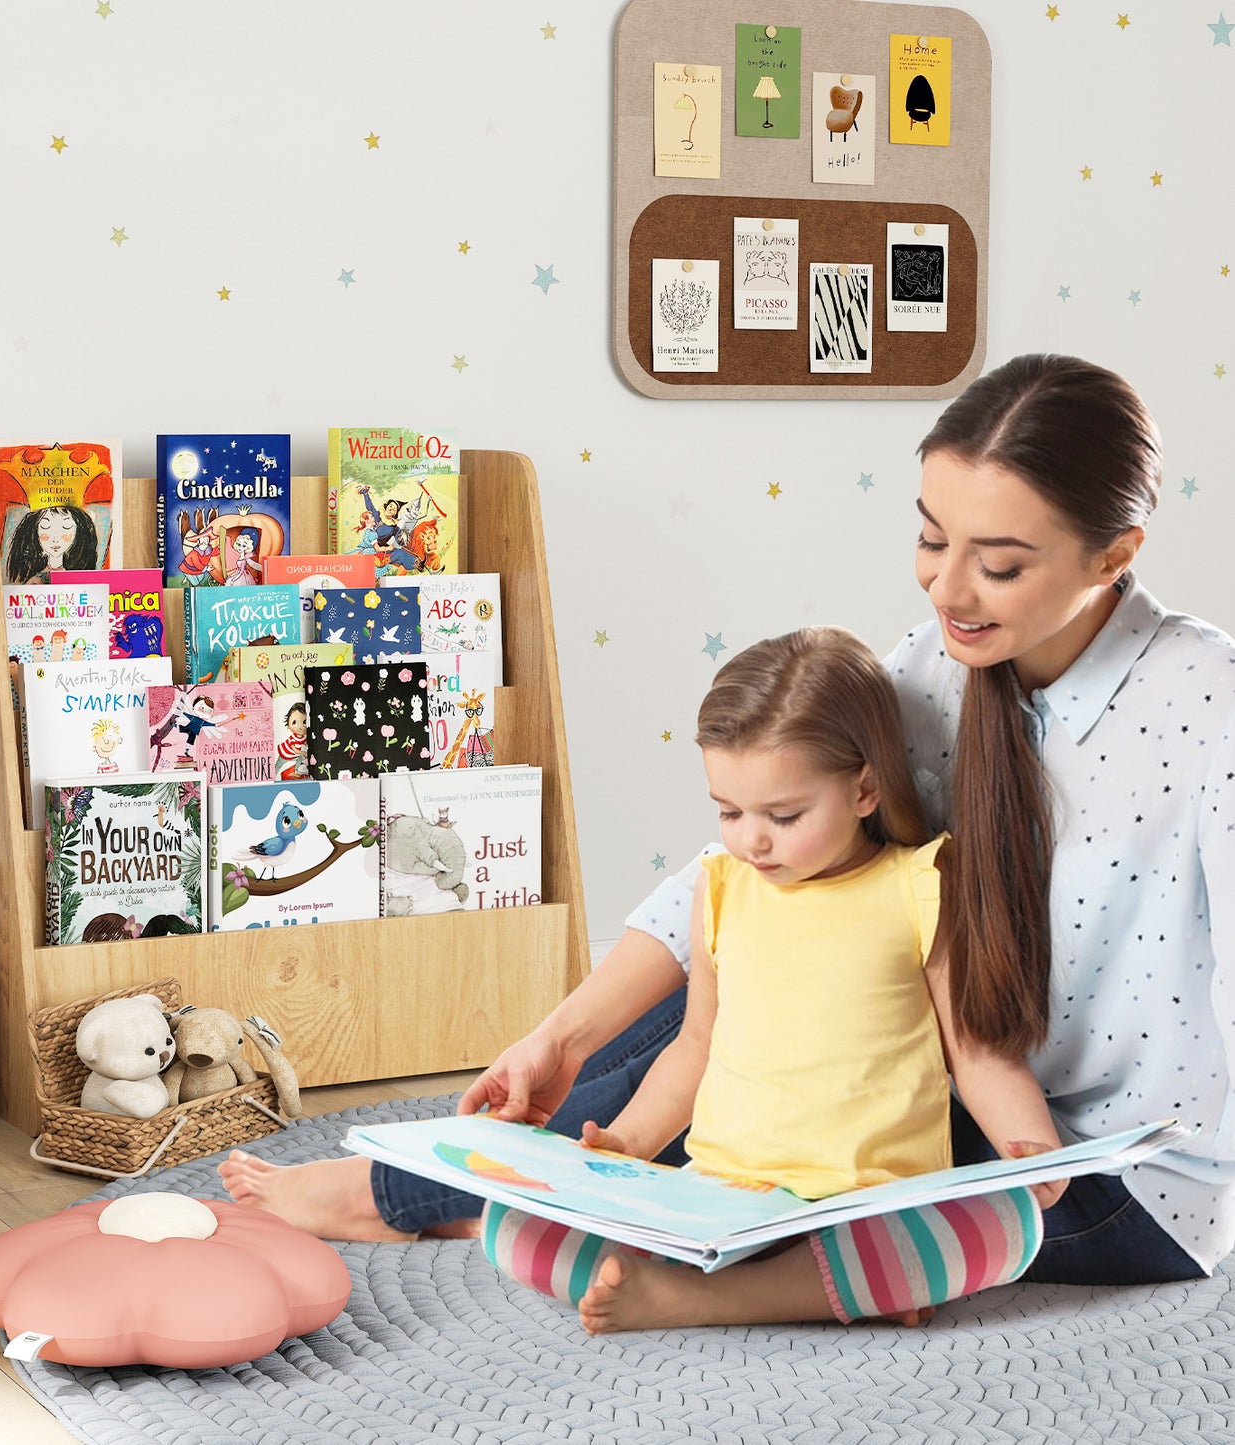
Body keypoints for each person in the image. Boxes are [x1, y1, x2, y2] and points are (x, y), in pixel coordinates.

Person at [220, 353, 1235, 1295]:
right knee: (754, 955)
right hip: (943, 1095)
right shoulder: (935, 663)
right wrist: (559, 1034)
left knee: (775, 1169)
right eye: (930, 538)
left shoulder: (1205, 711)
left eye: (998, 564)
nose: (943, 587)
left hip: (1101, 1174)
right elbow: (741, 881)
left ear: (1113, 555)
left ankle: (429, 1201)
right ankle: (485, 1186)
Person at [483, 627, 1062, 1332]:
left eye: (782, 816)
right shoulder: (720, 887)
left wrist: (1023, 1143)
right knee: (509, 1223)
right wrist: (628, 1145)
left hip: (864, 1202)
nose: (750, 839)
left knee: (1007, 1224)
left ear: (865, 788)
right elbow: (694, 1044)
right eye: (728, 811)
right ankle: (807, 1288)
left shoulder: (918, 884)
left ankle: (703, 1299)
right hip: (722, 1197)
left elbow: (974, 1050)